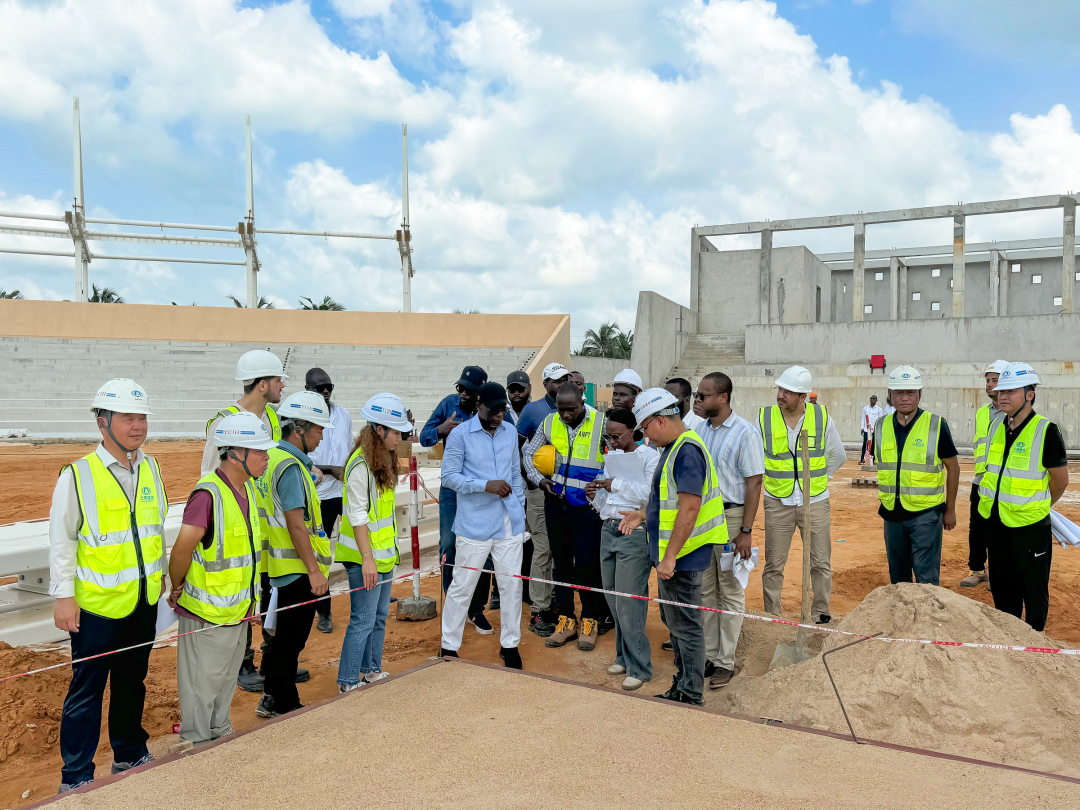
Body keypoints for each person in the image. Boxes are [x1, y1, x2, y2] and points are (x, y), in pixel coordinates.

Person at [50, 380, 167, 793]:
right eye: (127, 418)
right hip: (96, 607)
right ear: (103, 422)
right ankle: (76, 776)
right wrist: (64, 596)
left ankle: (129, 753)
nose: (138, 426)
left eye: (142, 417)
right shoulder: (77, 475)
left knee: (132, 682)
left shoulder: (151, 467)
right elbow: (62, 540)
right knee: (86, 692)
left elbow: (153, 529)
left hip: (142, 600)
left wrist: (159, 574)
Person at [169, 412, 274, 745]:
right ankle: (198, 746)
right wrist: (176, 586)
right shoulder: (207, 495)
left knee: (224, 685)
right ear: (234, 453)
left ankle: (218, 739)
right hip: (206, 616)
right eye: (259, 450)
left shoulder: (249, 490)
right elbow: (181, 551)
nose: (266, 457)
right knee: (200, 690)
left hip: (235, 613)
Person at [619, 388, 728, 706]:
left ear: (660, 420)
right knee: (677, 623)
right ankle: (683, 684)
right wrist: (643, 514)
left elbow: (690, 509)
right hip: (677, 555)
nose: (646, 437)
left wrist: (669, 558)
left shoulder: (686, 451)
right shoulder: (676, 448)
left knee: (685, 626)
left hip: (683, 556)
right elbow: (668, 500)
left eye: (645, 429)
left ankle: (690, 692)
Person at [201, 349, 288, 693]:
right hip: (236, 527)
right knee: (241, 595)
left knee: (266, 593)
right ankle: (243, 663)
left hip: (266, 525)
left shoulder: (272, 419)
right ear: (262, 385)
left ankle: (271, 660)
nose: (282, 386)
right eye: (278, 380)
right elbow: (209, 476)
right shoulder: (225, 422)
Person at [254, 391, 334, 719]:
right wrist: (314, 571)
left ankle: (272, 697)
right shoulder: (289, 467)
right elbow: (296, 524)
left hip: (271, 566)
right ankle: (285, 703)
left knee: (279, 639)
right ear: (299, 429)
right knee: (290, 641)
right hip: (294, 569)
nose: (321, 436)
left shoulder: (272, 457)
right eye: (319, 430)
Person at [439, 383, 527, 668]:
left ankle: (510, 645)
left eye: (503, 410)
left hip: (508, 523)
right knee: (463, 586)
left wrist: (520, 510)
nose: (500, 415)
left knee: (511, 586)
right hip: (474, 525)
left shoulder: (510, 432)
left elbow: (515, 474)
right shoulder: (460, 435)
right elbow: (448, 477)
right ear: (479, 406)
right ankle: (448, 646)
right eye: (495, 410)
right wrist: (484, 485)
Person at [979, 363, 1069, 631]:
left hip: (1030, 528)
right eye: (1001, 390)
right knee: (1002, 589)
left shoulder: (1046, 431)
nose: (1002, 396)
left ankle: (1034, 643)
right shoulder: (996, 426)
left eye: (1011, 391)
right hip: (996, 524)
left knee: (1033, 591)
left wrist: (1036, 505)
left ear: (1030, 394)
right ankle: (1010, 642)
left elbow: (1060, 481)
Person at [756, 366, 845, 624]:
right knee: (774, 564)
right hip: (778, 501)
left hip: (815, 501)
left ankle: (820, 614)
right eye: (780, 389)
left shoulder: (822, 417)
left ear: (803, 396)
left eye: (788, 392)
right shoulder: (764, 418)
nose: (780, 395)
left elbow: (837, 454)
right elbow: (755, 457)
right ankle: (773, 616)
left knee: (820, 562)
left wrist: (820, 479)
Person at [693, 372, 764, 689]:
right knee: (706, 589)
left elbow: (754, 483)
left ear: (722, 398)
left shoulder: (745, 433)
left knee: (731, 590)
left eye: (704, 395)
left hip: (731, 519)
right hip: (704, 520)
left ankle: (725, 662)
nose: (699, 400)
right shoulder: (700, 430)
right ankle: (709, 655)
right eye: (698, 394)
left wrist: (745, 531)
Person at [523, 382, 607, 650]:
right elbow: (528, 453)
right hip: (556, 504)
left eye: (571, 409)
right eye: (561, 409)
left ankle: (590, 621)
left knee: (587, 566)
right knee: (560, 565)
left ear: (583, 402)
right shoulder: (549, 422)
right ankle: (566, 621)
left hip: (588, 509)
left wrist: (604, 489)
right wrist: (538, 480)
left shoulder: (601, 423)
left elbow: (616, 456)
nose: (566, 415)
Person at [336, 394, 410, 692]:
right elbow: (357, 516)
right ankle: (348, 681)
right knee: (363, 620)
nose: (400, 438)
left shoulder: (382, 461)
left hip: (383, 556)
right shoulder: (360, 466)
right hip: (364, 558)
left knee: (378, 617)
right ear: (380, 430)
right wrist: (367, 558)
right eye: (396, 433)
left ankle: (371, 670)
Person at [587, 408, 658, 690]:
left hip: (635, 531)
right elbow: (607, 502)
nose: (613, 442)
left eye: (616, 436)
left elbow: (651, 494)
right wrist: (595, 496)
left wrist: (615, 484)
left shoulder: (650, 457)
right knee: (613, 599)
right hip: (608, 529)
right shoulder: (612, 458)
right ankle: (623, 656)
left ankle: (639, 667)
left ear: (633, 431)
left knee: (630, 601)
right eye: (608, 437)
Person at [420, 366, 493, 632]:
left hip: (480, 489)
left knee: (483, 549)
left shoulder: (491, 409)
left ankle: (476, 609)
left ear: (479, 393)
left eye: (467, 390)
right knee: (449, 545)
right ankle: (454, 604)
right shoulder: (448, 404)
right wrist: (442, 429)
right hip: (452, 489)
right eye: (459, 387)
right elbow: (424, 437)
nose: (462, 393)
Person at [872, 366, 960, 586]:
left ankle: (926, 611)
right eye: (899, 393)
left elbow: (953, 468)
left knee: (926, 578)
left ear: (919, 394)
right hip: (892, 513)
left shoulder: (936, 425)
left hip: (926, 515)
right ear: (890, 395)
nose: (905, 398)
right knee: (898, 578)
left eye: (910, 392)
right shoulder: (881, 426)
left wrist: (950, 509)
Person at [516, 362, 571, 636]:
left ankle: (555, 604)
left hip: (567, 490)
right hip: (540, 489)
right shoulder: (533, 411)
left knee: (561, 550)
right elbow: (518, 448)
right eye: (556, 380)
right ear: (546, 383)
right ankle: (539, 609)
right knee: (543, 548)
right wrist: (530, 479)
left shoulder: (576, 410)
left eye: (565, 379)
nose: (561, 384)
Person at [305, 367, 353, 634]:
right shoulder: (302, 419)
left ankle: (368, 590)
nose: (325, 391)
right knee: (321, 554)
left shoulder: (343, 415)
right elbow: (301, 458)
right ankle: (323, 611)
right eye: (319, 387)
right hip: (319, 496)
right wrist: (331, 470)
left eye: (329, 387)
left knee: (357, 543)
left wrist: (345, 472)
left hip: (344, 493)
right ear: (307, 390)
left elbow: (348, 449)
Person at [962, 360, 1009, 588]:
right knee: (977, 528)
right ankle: (978, 570)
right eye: (988, 380)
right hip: (981, 480)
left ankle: (1000, 572)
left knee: (999, 529)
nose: (989, 385)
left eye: (995, 380)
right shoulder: (982, 413)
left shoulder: (1012, 413)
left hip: (1003, 482)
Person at [861, 395, 883, 464]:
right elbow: (863, 418)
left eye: (873, 399)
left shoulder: (879, 409)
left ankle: (873, 460)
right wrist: (862, 427)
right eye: (871, 398)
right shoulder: (865, 408)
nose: (872, 400)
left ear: (876, 400)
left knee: (874, 445)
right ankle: (862, 460)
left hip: (874, 429)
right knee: (865, 444)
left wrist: (879, 429)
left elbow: (880, 420)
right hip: (866, 429)